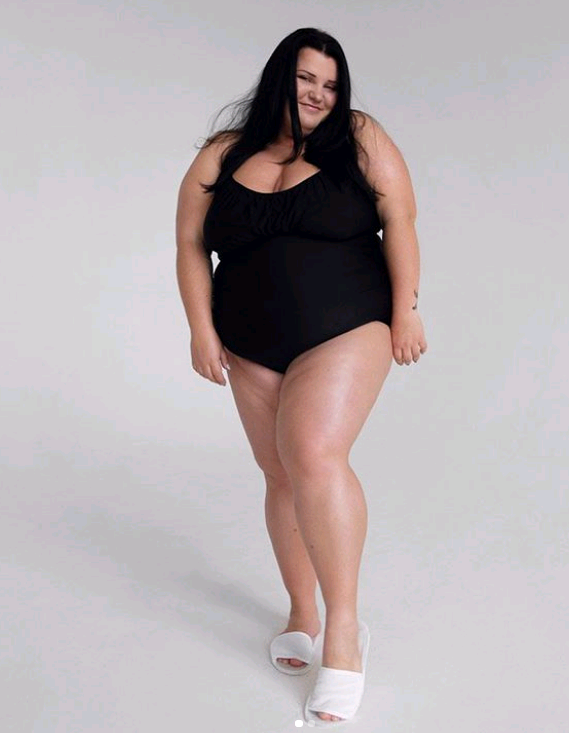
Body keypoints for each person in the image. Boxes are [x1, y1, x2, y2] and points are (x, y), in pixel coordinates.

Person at [175, 27, 428, 725]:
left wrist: (406, 309)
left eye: (330, 83)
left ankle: (344, 631)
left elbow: (400, 217)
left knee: (313, 454)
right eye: (305, 78)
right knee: (280, 473)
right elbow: (190, 243)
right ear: (278, 78)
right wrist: (200, 327)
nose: (318, 94)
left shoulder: (360, 137)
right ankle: (301, 610)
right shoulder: (223, 152)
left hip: (347, 324)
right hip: (249, 341)